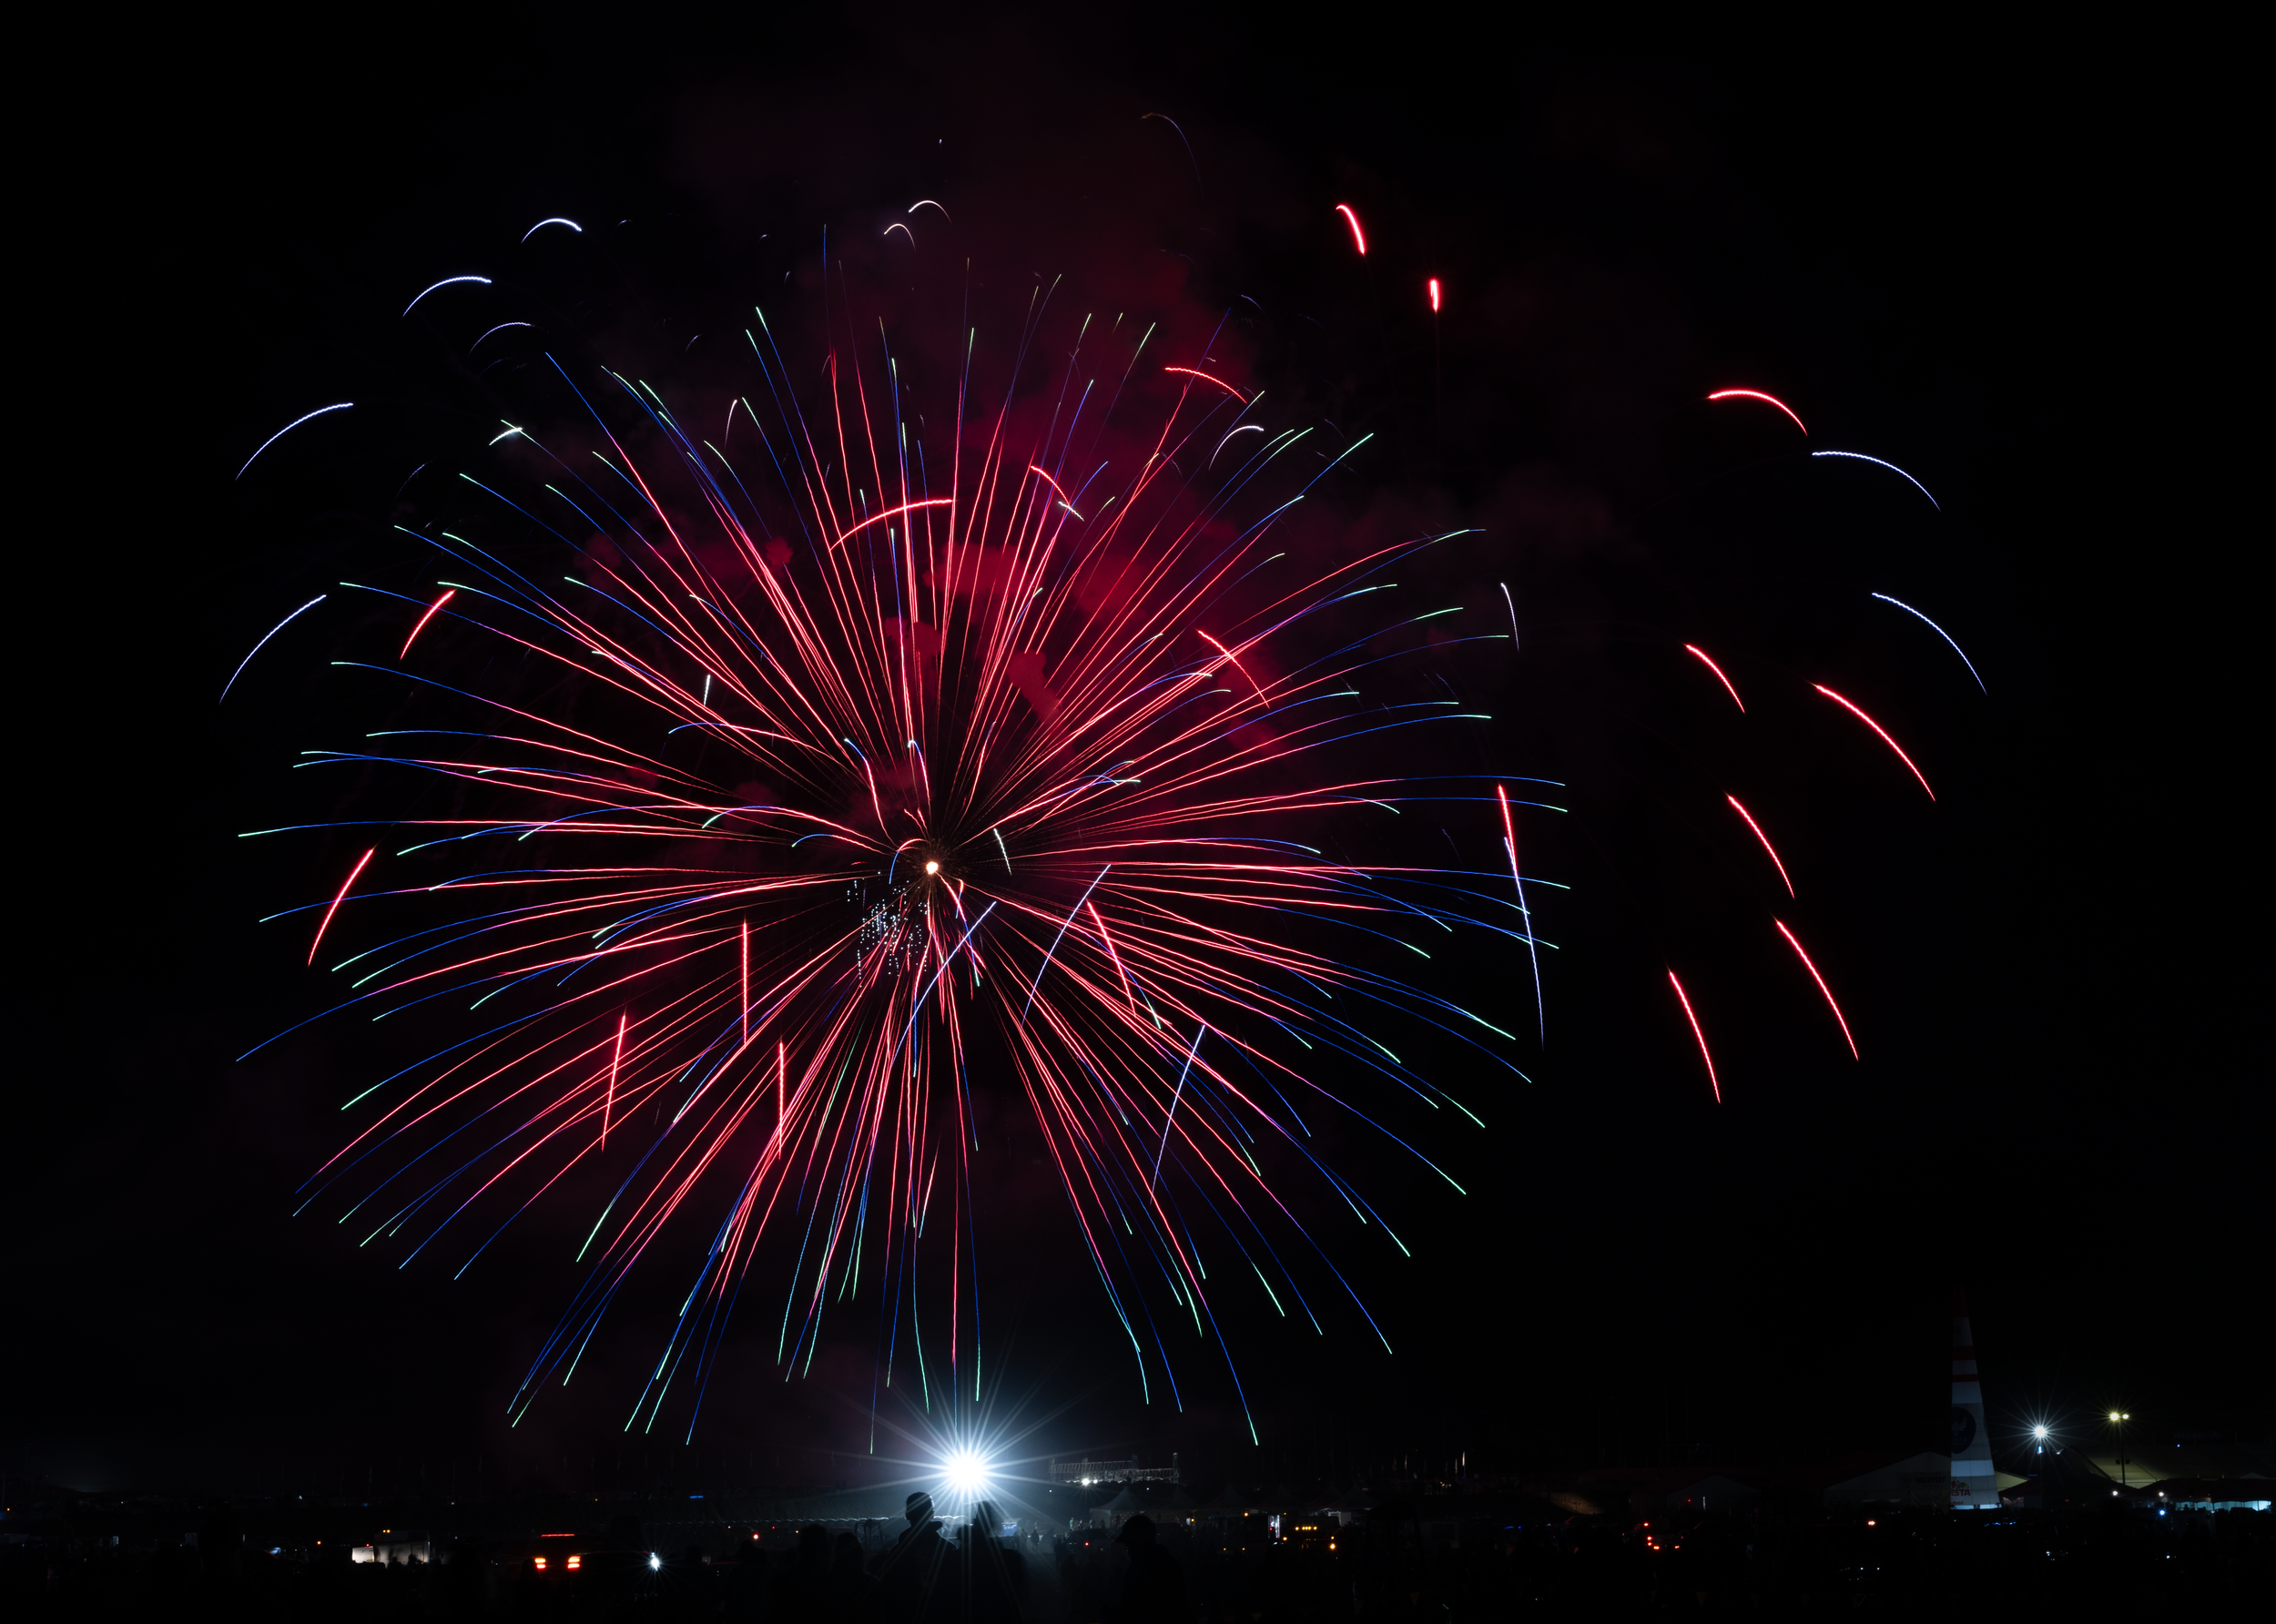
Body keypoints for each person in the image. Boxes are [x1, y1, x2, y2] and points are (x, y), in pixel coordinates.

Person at [1113, 1517, 1184, 1624]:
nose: (1129, 1552)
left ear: (1140, 1541)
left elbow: (1132, 1611)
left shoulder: (1137, 1569)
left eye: (1130, 1545)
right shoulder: (1171, 1564)